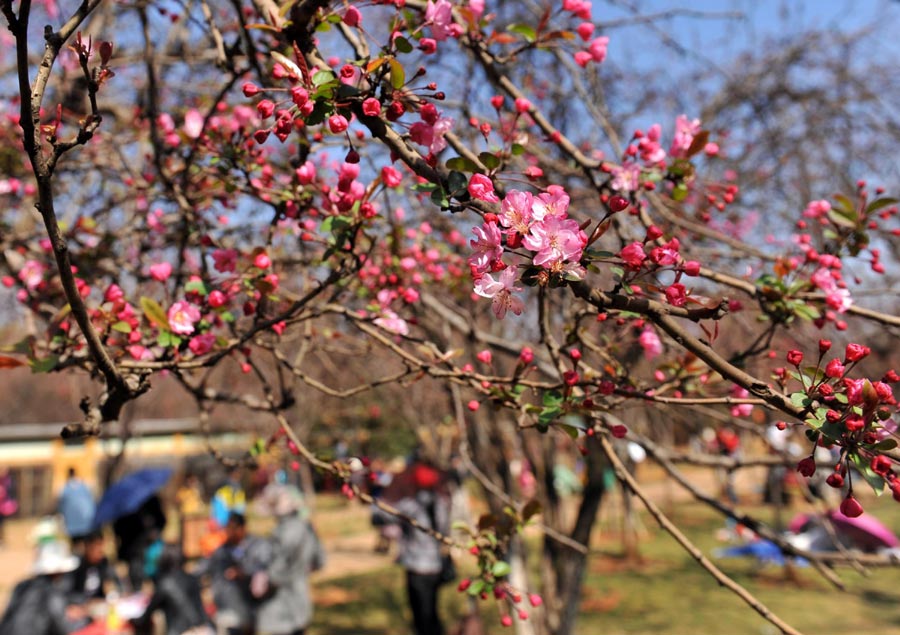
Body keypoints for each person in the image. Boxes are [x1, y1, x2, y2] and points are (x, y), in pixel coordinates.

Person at [375, 459, 452, 635]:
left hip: (417, 568)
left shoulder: (411, 506)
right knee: (432, 611)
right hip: (435, 566)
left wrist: (380, 493)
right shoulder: (442, 502)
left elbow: (381, 515)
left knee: (421, 616)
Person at [255, 484, 325, 635]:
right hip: (301, 602)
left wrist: (262, 580)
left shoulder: (282, 534)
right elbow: (319, 561)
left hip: (282, 607)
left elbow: (276, 572)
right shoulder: (307, 528)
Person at [0, 541, 86, 635]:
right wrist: (86, 617)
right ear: (58, 572)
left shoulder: (21, 586)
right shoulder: (51, 593)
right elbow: (64, 628)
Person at [130, 544, 215, 635]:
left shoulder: (166, 583)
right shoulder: (192, 578)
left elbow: (146, 615)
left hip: (182, 631)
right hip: (205, 629)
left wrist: (132, 620)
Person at [203, 513, 265, 635]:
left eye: (232, 528)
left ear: (241, 528)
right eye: (227, 528)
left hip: (248, 606)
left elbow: (264, 569)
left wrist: (244, 573)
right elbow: (205, 567)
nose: (228, 532)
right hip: (226, 608)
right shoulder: (221, 551)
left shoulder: (257, 546)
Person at [113, 493, 167, 592]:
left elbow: (162, 520)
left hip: (149, 548)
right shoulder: (125, 504)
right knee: (137, 581)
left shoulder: (151, 500)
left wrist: (154, 532)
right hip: (134, 549)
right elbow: (118, 529)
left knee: (157, 579)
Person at [63, 531, 123, 604]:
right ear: (88, 547)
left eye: (101, 548)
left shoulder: (104, 564)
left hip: (100, 606)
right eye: (97, 547)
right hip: (80, 606)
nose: (100, 552)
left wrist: (112, 590)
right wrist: (86, 601)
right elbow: (66, 593)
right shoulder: (76, 565)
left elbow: (116, 585)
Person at [57, 468, 96, 550]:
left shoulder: (65, 489)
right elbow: (91, 502)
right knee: (86, 544)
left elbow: (60, 506)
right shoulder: (84, 486)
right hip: (86, 521)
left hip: (73, 523)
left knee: (77, 545)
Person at [0, 468, 17, 546]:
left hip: (3, 508)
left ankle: (3, 541)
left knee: (2, 525)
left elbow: (11, 493)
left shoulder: (8, 481)